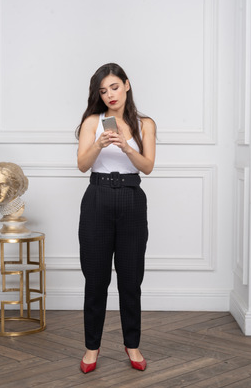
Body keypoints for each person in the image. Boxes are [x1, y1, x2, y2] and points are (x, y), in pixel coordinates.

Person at [76, 63, 156, 373]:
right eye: (103, 90)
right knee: (95, 279)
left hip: (132, 199)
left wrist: (125, 146)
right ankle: (91, 347)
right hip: (98, 198)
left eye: (114, 87)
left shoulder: (144, 123)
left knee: (131, 278)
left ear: (127, 85)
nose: (109, 94)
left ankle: (132, 345)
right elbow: (82, 165)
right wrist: (99, 143)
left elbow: (147, 166)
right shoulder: (91, 122)